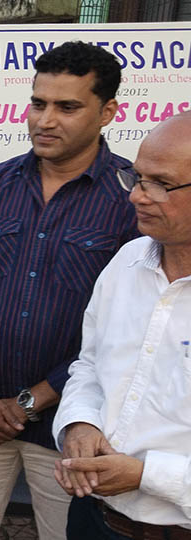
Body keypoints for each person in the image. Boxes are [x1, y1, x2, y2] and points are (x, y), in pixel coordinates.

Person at [0, 40, 138, 540]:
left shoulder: (130, 198)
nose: (45, 120)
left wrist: (31, 401)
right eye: (38, 103)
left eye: (67, 107)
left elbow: (125, 327)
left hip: (74, 428)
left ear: (108, 111)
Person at [53, 112, 191, 539]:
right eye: (136, 177)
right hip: (96, 519)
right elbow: (91, 365)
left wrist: (145, 475)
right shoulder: (125, 263)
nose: (137, 196)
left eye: (160, 184)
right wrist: (79, 424)